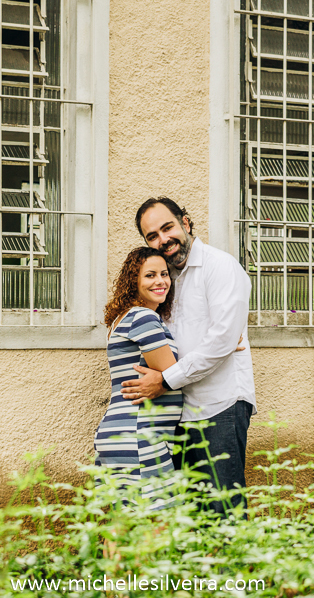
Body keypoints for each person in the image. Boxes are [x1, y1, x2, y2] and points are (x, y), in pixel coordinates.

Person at [121, 197, 256, 516]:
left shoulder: (220, 266)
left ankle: (233, 567)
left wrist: (165, 380)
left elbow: (221, 340)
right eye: (152, 236)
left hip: (219, 406)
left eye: (167, 228)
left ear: (186, 222)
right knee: (190, 516)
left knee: (223, 510)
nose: (162, 239)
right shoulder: (163, 279)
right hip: (178, 414)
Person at [93, 247, 184, 510]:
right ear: (134, 281)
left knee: (122, 527)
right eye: (150, 275)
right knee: (153, 529)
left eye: (165, 274)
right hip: (139, 434)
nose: (160, 281)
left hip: (122, 433)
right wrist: (220, 346)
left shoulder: (123, 319)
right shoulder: (143, 317)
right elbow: (173, 373)